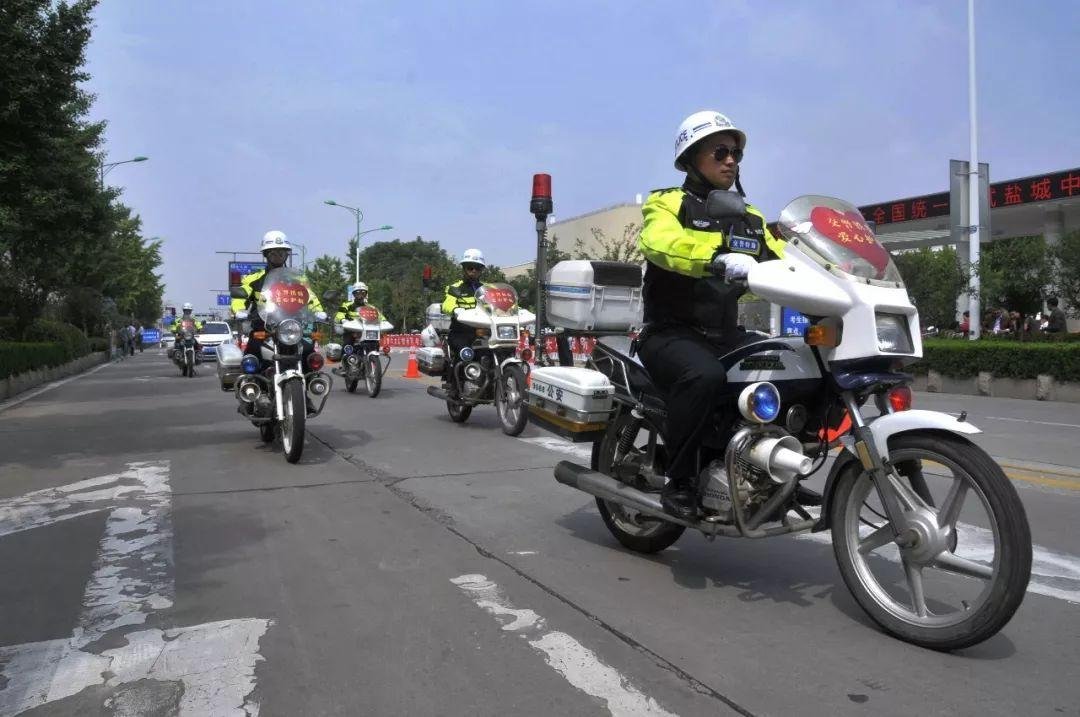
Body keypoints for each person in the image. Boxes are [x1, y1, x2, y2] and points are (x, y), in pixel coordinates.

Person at [635, 111, 785, 520]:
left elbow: (786, 260)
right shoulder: (667, 202)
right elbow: (660, 242)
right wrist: (717, 259)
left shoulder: (750, 218)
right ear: (690, 157)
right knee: (704, 376)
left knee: (790, 364)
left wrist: (840, 277)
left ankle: (770, 471)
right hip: (670, 332)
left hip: (725, 334)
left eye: (735, 153)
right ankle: (679, 481)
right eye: (720, 151)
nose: (731, 161)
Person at [233, 230, 325, 409]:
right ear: (266, 254)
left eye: (281, 252)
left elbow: (310, 297)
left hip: (290, 327)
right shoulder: (254, 279)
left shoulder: (298, 279)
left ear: (286, 255)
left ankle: (305, 392)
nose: (278, 256)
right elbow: (239, 297)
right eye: (274, 252)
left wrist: (319, 311)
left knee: (307, 350)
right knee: (252, 352)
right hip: (264, 327)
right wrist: (239, 310)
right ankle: (251, 388)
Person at [441, 249, 490, 376]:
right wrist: (455, 309)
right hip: (461, 331)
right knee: (465, 353)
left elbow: (499, 303)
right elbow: (447, 304)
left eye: (478, 268)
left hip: (483, 332)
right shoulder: (454, 288)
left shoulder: (487, 289)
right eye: (470, 267)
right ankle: (456, 385)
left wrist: (516, 309)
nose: (474, 271)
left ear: (481, 270)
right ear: (464, 268)